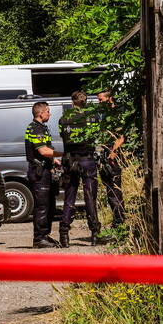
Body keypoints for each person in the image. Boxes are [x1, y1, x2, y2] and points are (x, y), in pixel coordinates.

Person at [57, 91, 102, 247]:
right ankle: (95, 233)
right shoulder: (93, 117)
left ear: (72, 101)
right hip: (87, 159)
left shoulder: (63, 118)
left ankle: (64, 234)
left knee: (69, 197)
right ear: (85, 101)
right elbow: (96, 135)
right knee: (90, 197)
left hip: (70, 160)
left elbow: (63, 136)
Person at [24, 99, 61, 249]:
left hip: (45, 171)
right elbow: (43, 151)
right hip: (39, 173)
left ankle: (45, 235)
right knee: (42, 206)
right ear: (40, 113)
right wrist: (63, 154)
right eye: (47, 111)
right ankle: (39, 238)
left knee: (50, 205)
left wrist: (55, 161)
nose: (49, 114)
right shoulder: (35, 129)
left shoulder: (41, 127)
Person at [96, 89, 126, 228]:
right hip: (105, 154)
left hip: (114, 155)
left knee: (115, 188)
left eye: (101, 99)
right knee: (109, 188)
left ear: (110, 98)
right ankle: (116, 218)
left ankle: (120, 220)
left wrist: (113, 152)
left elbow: (121, 137)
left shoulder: (118, 112)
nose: (99, 102)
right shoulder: (105, 114)